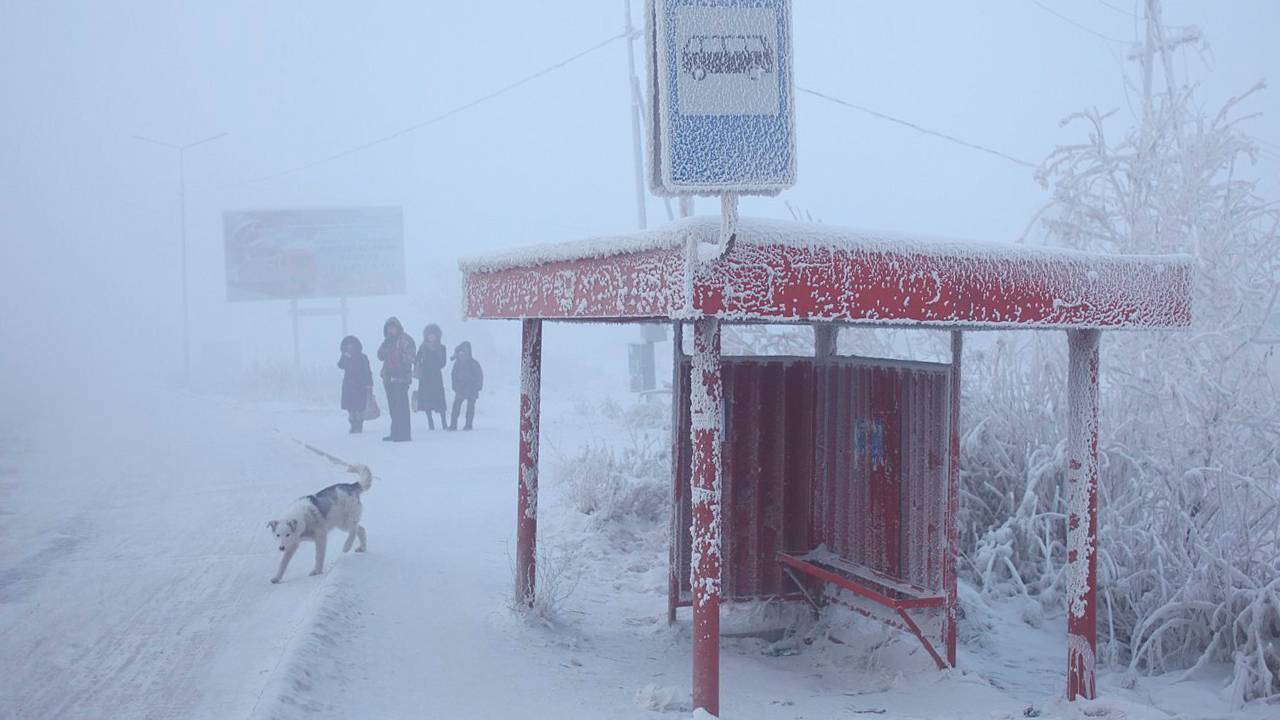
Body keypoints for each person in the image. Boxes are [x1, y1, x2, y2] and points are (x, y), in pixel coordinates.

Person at [377, 316, 416, 442]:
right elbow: (380, 355)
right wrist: (387, 347)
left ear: (398, 328)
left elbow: (412, 358)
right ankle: (395, 433)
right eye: (389, 328)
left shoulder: (406, 340)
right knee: (393, 407)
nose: (391, 330)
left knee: (402, 408)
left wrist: (400, 355)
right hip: (388, 379)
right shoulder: (387, 341)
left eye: (393, 327)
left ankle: (404, 434)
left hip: (401, 378)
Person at [414, 324, 448, 430]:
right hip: (425, 377)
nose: (431, 337)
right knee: (427, 400)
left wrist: (434, 364)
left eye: (433, 335)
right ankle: (430, 424)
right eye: (429, 335)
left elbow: (443, 363)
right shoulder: (422, 348)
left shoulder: (442, 348)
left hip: (437, 377)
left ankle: (444, 423)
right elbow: (416, 360)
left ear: (437, 336)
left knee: (440, 401)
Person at [338, 336, 373, 434]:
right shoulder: (345, 357)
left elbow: (367, 371)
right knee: (350, 408)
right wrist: (345, 357)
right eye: (348, 346)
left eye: (352, 346)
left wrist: (369, 384)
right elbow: (340, 365)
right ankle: (353, 425)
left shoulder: (363, 357)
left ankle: (359, 425)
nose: (351, 348)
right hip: (348, 386)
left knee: (359, 408)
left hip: (360, 386)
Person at [449, 341, 483, 431]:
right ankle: (453, 425)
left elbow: (479, 375)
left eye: (464, 352)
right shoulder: (457, 363)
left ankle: (468, 425)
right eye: (460, 353)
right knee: (456, 406)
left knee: (470, 407)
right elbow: (453, 375)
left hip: (472, 387)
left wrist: (478, 386)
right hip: (460, 387)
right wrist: (454, 386)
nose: (462, 355)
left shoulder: (474, 363)